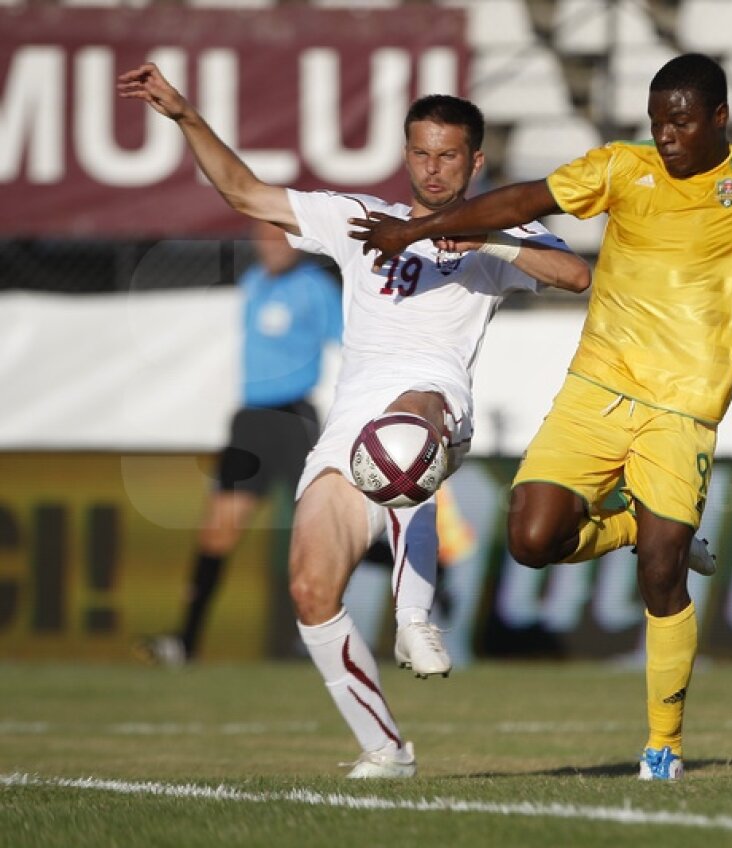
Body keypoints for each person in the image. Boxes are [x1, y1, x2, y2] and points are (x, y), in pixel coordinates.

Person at [350, 10, 732, 781]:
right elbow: (522, 202)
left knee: (661, 575)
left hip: (681, 412)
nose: (669, 136)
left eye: (682, 121)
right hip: (595, 392)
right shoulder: (624, 168)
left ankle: (662, 746)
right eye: (658, 122)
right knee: (531, 540)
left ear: (720, 117)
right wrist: (422, 229)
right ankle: (632, 528)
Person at [118, 66, 590, 778]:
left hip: (436, 404)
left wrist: (482, 240)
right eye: (421, 153)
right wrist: (184, 115)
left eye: (449, 156)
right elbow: (245, 192)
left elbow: (578, 276)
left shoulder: (500, 229)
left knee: (406, 430)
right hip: (347, 429)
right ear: (407, 154)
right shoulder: (359, 217)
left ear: (477, 162)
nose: (434, 169)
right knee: (310, 588)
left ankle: (414, 616)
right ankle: (385, 748)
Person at [137, 222, 342, 667]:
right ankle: (185, 642)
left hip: (292, 420)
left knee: (320, 529)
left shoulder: (316, 288)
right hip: (249, 423)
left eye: (278, 237)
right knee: (217, 530)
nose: (269, 245)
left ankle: (417, 589)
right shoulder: (252, 284)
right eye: (262, 237)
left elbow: (351, 345)